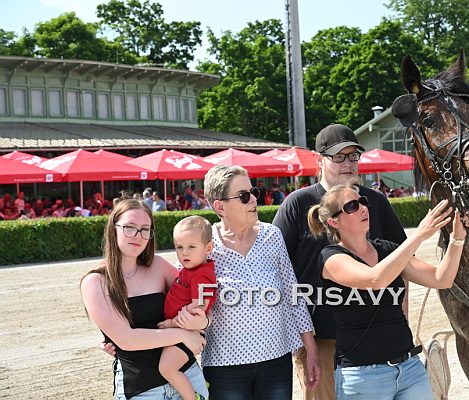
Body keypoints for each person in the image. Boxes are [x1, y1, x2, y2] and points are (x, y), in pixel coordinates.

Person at [272, 123, 406, 400]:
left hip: (377, 334)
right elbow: (276, 269)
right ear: (318, 159)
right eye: (338, 156)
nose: (347, 163)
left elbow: (401, 264)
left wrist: (402, 319)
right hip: (320, 337)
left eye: (353, 155)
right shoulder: (297, 203)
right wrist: (300, 337)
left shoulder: (376, 202)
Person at [308, 183, 469, 399]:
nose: (363, 208)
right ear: (334, 221)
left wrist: (457, 238)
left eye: (362, 202)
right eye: (352, 206)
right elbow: (375, 279)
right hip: (363, 376)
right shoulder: (331, 258)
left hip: (410, 369)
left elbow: (441, 279)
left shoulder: (387, 249)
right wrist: (418, 235)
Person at [202, 165, 320, 399]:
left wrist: (311, 349)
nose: (254, 199)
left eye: (253, 192)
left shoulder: (272, 235)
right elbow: (183, 291)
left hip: (276, 361)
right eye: (244, 196)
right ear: (220, 207)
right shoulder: (205, 244)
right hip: (224, 365)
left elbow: (293, 294)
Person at [80, 195, 210, 400]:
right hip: (142, 390)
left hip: (188, 378)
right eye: (129, 227)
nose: (138, 236)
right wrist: (183, 335)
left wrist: (204, 321)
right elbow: (127, 340)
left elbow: (201, 300)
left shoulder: (159, 266)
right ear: (113, 229)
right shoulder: (95, 282)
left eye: (145, 229)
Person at [158, 216, 217, 400]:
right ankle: (197, 384)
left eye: (191, 247)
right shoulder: (190, 270)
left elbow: (198, 310)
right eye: (179, 247)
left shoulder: (203, 275)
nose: (185, 253)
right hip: (180, 332)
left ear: (208, 248)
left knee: (167, 368)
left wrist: (171, 323)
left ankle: (193, 397)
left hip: (187, 332)